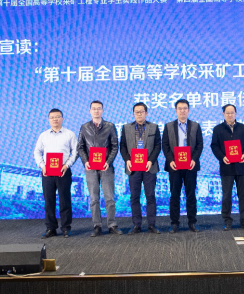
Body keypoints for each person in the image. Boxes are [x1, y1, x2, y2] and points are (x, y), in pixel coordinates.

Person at [77, 100, 122, 237]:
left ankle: (112, 225)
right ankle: (97, 226)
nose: (96, 111)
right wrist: (85, 161)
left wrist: (108, 161)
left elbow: (115, 146)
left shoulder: (110, 126)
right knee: (93, 198)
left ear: (103, 110)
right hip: (91, 167)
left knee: (110, 198)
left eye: (99, 108)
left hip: (106, 167)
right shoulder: (84, 127)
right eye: (94, 108)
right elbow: (80, 147)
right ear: (90, 111)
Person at [33, 108, 78, 238]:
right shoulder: (43, 135)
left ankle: (66, 228)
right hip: (47, 172)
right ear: (49, 120)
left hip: (64, 171)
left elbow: (75, 152)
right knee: (49, 201)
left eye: (57, 117)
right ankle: (51, 228)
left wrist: (67, 165)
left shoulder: (69, 134)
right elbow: (37, 152)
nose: (55, 119)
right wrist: (42, 166)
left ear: (62, 118)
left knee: (65, 200)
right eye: (52, 117)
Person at [162, 99, 204, 233]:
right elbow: (165, 145)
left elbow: (199, 145)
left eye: (185, 108)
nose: (182, 111)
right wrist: (170, 160)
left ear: (188, 110)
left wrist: (194, 159)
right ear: (176, 111)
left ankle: (192, 222)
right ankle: (174, 223)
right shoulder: (169, 126)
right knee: (175, 195)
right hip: (174, 165)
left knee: (191, 195)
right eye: (180, 108)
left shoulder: (195, 126)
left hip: (190, 165)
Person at [210, 104, 244, 231]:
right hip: (226, 167)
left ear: (236, 113)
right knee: (226, 195)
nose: (230, 115)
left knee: (243, 194)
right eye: (227, 113)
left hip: (241, 166)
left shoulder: (243, 128)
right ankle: (227, 221)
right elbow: (214, 146)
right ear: (223, 114)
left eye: (232, 112)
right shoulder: (218, 129)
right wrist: (222, 157)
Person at [120, 102, 162, 234]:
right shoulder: (126, 128)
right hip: (133, 167)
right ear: (133, 114)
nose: (139, 114)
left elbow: (158, 146)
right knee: (134, 197)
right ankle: (136, 225)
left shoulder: (154, 127)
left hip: (149, 166)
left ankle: (151, 225)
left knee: (150, 196)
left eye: (141, 112)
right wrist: (127, 160)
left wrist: (151, 160)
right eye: (136, 112)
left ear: (146, 113)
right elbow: (122, 146)